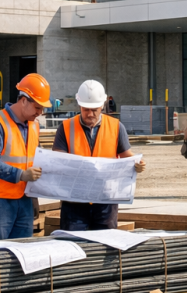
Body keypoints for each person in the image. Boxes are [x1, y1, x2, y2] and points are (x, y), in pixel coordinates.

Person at [52, 80, 145, 231]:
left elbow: (126, 155)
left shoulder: (116, 127)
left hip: (105, 200)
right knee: (73, 244)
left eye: (94, 109)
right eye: (86, 109)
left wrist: (137, 163)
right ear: (79, 105)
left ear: (102, 105)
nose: (90, 114)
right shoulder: (66, 127)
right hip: (74, 201)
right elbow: (57, 159)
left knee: (104, 246)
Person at [0, 74, 51, 240]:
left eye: (42, 108)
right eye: (37, 107)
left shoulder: (33, 126)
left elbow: (32, 160)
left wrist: (34, 197)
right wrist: (21, 175)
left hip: (23, 199)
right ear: (24, 100)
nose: (40, 112)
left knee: (21, 252)